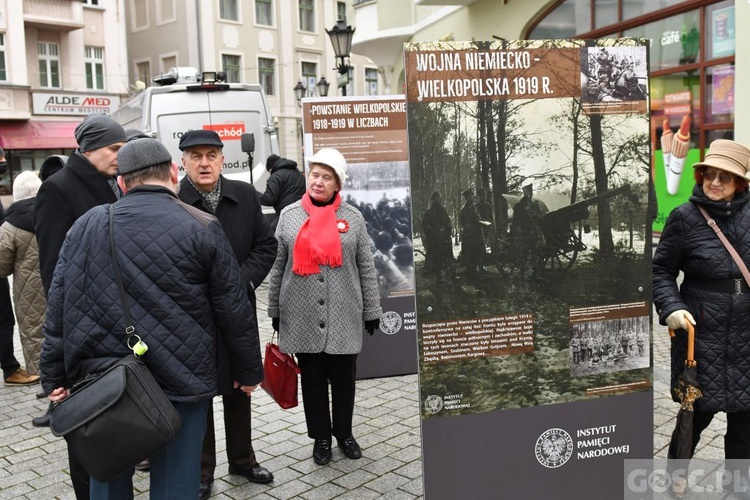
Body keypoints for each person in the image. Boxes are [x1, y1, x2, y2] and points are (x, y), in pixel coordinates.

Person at [39, 138, 264, 499]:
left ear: (122, 183)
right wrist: (249, 370)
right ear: (174, 172)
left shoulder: (87, 224)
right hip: (183, 376)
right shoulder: (202, 225)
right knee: (177, 481)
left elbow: (60, 304)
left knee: (109, 477)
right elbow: (232, 306)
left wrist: (53, 374)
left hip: (103, 381)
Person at [176, 129, 277, 499]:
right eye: (196, 156)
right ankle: (203, 471)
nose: (204, 163)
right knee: (200, 393)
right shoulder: (174, 200)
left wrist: (243, 282)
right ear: (183, 161)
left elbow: (267, 245)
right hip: (195, 316)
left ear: (222, 159)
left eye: (211, 155)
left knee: (240, 387)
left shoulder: (245, 195)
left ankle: (243, 460)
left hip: (238, 311)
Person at [267, 148, 382, 466]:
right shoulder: (289, 216)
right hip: (300, 314)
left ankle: (344, 433)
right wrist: (274, 309)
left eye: (326, 177)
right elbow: (278, 266)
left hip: (344, 313)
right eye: (315, 174)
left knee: (344, 380)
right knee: (313, 380)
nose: (318, 181)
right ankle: (320, 437)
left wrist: (372, 309)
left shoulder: (353, 218)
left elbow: (366, 267)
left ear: (337, 184)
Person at [33, 113, 127, 498]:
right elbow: (53, 267)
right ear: (89, 148)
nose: (121, 156)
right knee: (85, 419)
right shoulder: (58, 188)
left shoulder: (113, 184)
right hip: (82, 327)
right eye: (114, 149)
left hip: (118, 322)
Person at [653, 139, 750, 462]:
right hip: (701, 337)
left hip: (746, 338)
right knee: (691, 423)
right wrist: (672, 307)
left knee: (745, 433)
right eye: (710, 174)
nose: (715, 182)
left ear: (740, 183)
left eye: (725, 177)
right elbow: (661, 271)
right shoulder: (684, 217)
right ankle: (673, 485)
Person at [0, 172, 45, 379]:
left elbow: (2, 267)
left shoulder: (9, 227)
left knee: (33, 331)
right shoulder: (55, 214)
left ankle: (43, 378)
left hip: (27, 292)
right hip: (58, 280)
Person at [510, 181, 546, 279]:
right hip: (527, 234)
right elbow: (517, 222)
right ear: (526, 192)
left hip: (530, 234)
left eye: (531, 191)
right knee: (529, 254)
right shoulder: (524, 206)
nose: (531, 193)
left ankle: (531, 274)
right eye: (529, 191)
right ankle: (528, 274)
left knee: (532, 254)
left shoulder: (529, 204)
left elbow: (537, 217)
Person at [260, 153, 306, 230]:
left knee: (272, 236)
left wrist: (254, 194)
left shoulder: (275, 176)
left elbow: (269, 199)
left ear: (271, 168)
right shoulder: (297, 173)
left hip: (286, 214)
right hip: (302, 213)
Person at [421, 191, 454, 279]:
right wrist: (435, 232)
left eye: (440, 198)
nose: (439, 200)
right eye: (437, 198)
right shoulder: (428, 213)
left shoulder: (443, 211)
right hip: (434, 240)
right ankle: (437, 273)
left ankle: (448, 273)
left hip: (445, 238)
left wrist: (447, 230)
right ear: (433, 200)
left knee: (447, 258)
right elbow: (425, 226)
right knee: (435, 260)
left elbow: (448, 222)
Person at [459, 188, 486, 277]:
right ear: (467, 197)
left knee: (478, 252)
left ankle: (478, 268)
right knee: (470, 254)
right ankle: (471, 272)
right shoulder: (464, 210)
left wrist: (480, 221)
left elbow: (478, 218)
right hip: (470, 236)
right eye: (471, 196)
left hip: (477, 234)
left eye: (473, 196)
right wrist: (474, 225)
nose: (473, 197)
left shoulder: (474, 208)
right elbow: (465, 224)